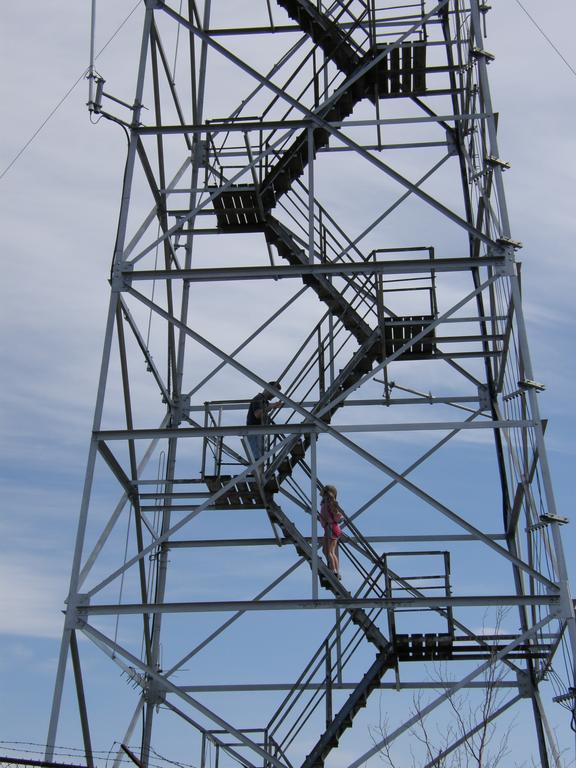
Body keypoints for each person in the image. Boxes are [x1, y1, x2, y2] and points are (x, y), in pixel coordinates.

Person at [246, 381, 283, 463]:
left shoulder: (265, 401)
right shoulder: (258, 398)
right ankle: (256, 474)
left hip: (258, 433)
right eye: (275, 392)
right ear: (268, 388)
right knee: (257, 459)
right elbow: (258, 414)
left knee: (259, 459)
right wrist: (272, 406)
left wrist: (272, 406)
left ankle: (257, 473)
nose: (275, 395)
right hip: (254, 432)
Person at [320, 484, 342, 577]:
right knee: (326, 550)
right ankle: (335, 569)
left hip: (331, 528)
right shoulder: (329, 504)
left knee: (329, 551)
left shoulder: (329, 504)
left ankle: (334, 570)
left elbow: (337, 516)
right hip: (331, 528)